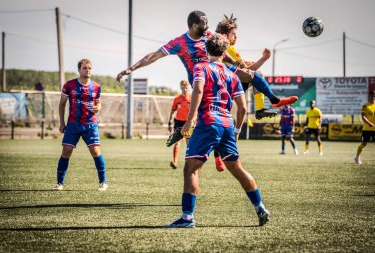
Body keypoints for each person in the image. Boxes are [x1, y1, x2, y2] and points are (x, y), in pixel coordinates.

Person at [116, 10, 297, 171]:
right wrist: (131, 68)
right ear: (194, 25)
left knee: (254, 75)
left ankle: (273, 100)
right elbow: (153, 55)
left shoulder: (209, 35)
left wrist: (236, 63)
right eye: (204, 23)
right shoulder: (180, 42)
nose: (208, 26)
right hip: (202, 82)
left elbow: (223, 52)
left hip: (219, 73)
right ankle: (191, 131)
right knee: (210, 120)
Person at [164, 33, 270, 228]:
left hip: (207, 123)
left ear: (206, 50)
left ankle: (187, 219)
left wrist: (189, 121)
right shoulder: (233, 74)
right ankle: (260, 207)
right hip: (227, 124)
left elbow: (198, 91)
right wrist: (236, 131)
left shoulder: (201, 67)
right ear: (224, 52)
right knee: (237, 168)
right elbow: (243, 107)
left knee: (190, 169)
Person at [54, 59, 108, 191]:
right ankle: (59, 183)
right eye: (84, 68)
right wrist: (62, 123)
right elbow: (62, 104)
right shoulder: (69, 85)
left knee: (95, 151)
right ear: (79, 70)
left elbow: (98, 102)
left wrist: (98, 108)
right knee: (66, 151)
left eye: (89, 68)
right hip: (73, 124)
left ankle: (103, 182)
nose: (87, 70)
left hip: (90, 124)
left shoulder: (96, 86)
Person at [215, 14, 277, 120]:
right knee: (259, 74)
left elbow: (242, 67)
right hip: (228, 87)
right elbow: (249, 72)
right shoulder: (229, 48)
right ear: (225, 36)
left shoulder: (220, 47)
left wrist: (247, 63)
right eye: (233, 34)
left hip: (222, 88)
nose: (236, 36)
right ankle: (260, 109)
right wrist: (264, 58)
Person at [168, 80, 191, 169]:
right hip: (178, 123)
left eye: (186, 87)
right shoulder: (177, 99)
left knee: (189, 143)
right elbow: (173, 111)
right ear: (180, 87)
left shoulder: (192, 98)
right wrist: (170, 121)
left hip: (188, 123)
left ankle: (189, 163)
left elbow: (196, 111)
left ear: (188, 87)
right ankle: (175, 162)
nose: (184, 89)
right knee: (177, 143)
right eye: (182, 87)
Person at [354, 90, 375, 164]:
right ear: (369, 96)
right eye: (372, 95)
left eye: (374, 95)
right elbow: (363, 117)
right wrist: (370, 123)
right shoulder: (365, 106)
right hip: (367, 129)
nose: (373, 97)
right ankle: (357, 157)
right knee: (364, 144)